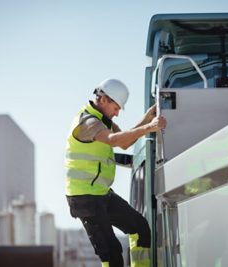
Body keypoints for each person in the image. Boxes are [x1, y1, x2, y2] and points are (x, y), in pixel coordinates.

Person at [64, 78, 166, 267]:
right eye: (116, 107)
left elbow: (125, 141)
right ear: (103, 99)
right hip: (84, 198)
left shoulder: (104, 121)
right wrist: (149, 127)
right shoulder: (88, 122)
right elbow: (113, 140)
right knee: (112, 255)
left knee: (140, 228)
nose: (117, 113)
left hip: (101, 194)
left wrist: (146, 119)